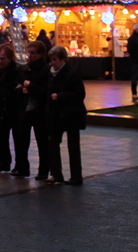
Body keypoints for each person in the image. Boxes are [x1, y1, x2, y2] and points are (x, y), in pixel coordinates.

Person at [46, 45, 86, 186]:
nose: (52, 63)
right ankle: (56, 174)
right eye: (51, 60)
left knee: (73, 146)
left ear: (63, 59)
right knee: (53, 143)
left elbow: (80, 94)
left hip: (71, 114)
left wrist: (61, 96)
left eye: (55, 59)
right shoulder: (51, 74)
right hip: (56, 114)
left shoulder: (71, 73)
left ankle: (76, 176)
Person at [0, 44, 24, 175]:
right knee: (1, 137)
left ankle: (19, 166)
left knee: (18, 139)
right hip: (2, 109)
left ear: (10, 59)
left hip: (16, 109)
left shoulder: (18, 70)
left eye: (2, 59)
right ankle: (3, 163)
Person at [17, 41, 51, 181]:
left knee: (42, 142)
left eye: (33, 53)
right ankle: (22, 168)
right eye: (28, 52)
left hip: (40, 111)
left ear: (41, 54)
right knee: (22, 141)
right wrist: (22, 88)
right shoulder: (24, 68)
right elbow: (19, 84)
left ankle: (43, 170)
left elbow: (45, 91)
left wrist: (30, 86)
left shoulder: (46, 70)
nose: (29, 56)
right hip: (25, 109)